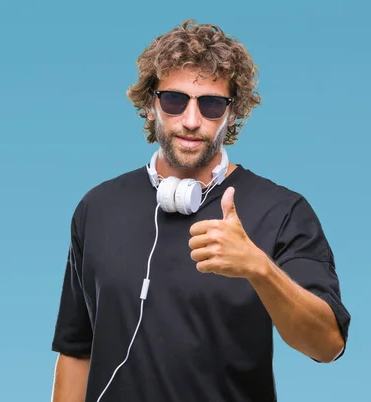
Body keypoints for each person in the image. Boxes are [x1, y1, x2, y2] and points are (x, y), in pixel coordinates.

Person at [49, 19, 351, 402]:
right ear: (150, 105)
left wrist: (259, 268)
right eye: (174, 100)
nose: (191, 121)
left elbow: (327, 346)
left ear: (232, 114)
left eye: (210, 105)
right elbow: (77, 350)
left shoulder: (282, 211)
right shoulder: (98, 207)